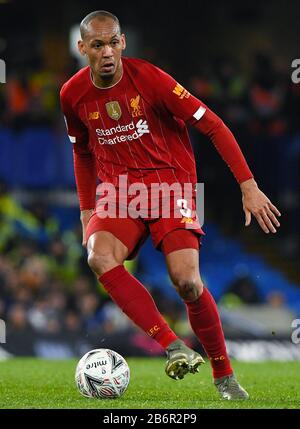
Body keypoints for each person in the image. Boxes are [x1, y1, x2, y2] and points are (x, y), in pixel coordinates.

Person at [60, 10, 281, 400]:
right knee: (98, 255)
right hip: (119, 193)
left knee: (188, 282)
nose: (108, 51)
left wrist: (248, 186)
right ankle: (172, 344)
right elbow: (81, 153)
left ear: (123, 42)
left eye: (113, 41)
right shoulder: (72, 94)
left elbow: (213, 123)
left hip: (169, 187)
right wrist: (86, 211)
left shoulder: (151, 79)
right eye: (98, 45)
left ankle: (224, 375)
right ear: (83, 49)